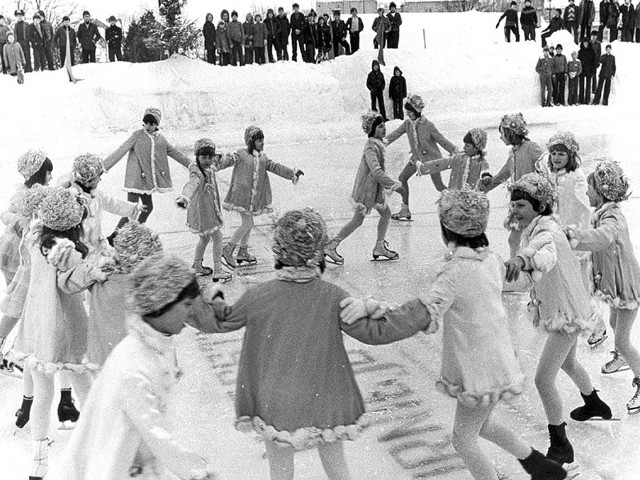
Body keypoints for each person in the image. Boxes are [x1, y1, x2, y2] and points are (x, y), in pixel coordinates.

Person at [341, 189, 572, 480]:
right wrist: (531, 259)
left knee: (463, 441)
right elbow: (523, 282)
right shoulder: (491, 260)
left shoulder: (453, 273)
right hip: (498, 364)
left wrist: (372, 309)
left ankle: (537, 470)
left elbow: (419, 314)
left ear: (446, 229)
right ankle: (542, 468)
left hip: (478, 372)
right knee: (483, 426)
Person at [193, 208, 430, 480]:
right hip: (325, 395)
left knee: (280, 473)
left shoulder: (259, 295)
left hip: (277, 400)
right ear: (317, 253)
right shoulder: (333, 297)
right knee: (338, 470)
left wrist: (202, 299)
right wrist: (420, 312)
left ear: (278, 251)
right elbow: (375, 332)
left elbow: (219, 321)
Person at [48, 254, 217, 480]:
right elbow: (154, 433)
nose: (191, 312)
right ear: (161, 304)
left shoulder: (151, 347)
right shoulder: (133, 364)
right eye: (186, 304)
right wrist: (198, 472)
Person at [504, 173, 612, 465]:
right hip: (565, 308)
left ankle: (561, 444)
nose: (515, 210)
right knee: (568, 362)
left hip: (567, 314)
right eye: (513, 204)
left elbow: (545, 254)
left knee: (542, 379)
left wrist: (522, 260)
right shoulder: (536, 226)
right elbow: (533, 269)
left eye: (521, 205)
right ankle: (594, 403)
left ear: (539, 207)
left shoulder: (546, 232)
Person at [10, 187, 109, 479]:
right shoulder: (65, 251)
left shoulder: (34, 241)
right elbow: (71, 284)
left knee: (43, 393)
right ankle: (100, 446)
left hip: (38, 325)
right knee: (84, 385)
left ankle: (38, 460)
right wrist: (96, 271)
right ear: (73, 224)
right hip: (66, 324)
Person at [566, 160, 640, 414]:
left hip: (628, 286)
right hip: (616, 285)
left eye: (590, 189)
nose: (586, 193)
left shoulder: (612, 218)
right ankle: (622, 357)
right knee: (613, 323)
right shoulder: (602, 213)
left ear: (602, 191)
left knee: (622, 338)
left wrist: (576, 238)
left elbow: (603, 238)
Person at [218, 126, 303, 269]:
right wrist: (217, 161)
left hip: (253, 199)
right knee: (248, 224)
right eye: (259, 141)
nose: (262, 143)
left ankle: (242, 252)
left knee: (249, 224)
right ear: (251, 142)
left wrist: (292, 173)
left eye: (263, 140)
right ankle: (228, 250)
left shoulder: (263, 158)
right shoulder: (241, 154)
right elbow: (228, 160)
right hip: (241, 196)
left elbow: (275, 167)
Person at [324, 113, 402, 265]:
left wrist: (405, 128)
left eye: (384, 125)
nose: (384, 128)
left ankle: (379, 246)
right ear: (372, 129)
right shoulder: (371, 147)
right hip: (367, 190)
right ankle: (331, 245)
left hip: (374, 190)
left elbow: (390, 138)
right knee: (358, 220)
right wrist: (392, 184)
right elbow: (376, 171)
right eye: (380, 126)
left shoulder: (378, 143)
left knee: (386, 214)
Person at [103, 108, 191, 237]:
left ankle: (135, 233)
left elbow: (175, 153)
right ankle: (113, 238)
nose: (148, 126)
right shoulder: (137, 135)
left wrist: (191, 164)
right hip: (134, 178)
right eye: (146, 123)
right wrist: (104, 166)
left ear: (157, 125)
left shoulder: (161, 140)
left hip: (146, 181)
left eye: (152, 124)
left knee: (147, 207)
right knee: (131, 210)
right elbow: (122, 149)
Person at [385, 94, 457, 221]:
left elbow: (440, 139)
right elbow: (396, 133)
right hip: (416, 159)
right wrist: (383, 142)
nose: (407, 113)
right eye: (406, 110)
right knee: (402, 178)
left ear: (416, 111)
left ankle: (457, 204)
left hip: (432, 160)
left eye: (410, 111)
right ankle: (405, 209)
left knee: (439, 186)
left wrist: (454, 150)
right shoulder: (407, 124)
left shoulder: (427, 124)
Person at [482, 113, 543, 257]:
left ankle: (518, 269)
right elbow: (502, 175)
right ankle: (520, 266)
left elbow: (546, 166)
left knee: (518, 239)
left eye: (502, 133)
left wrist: (538, 189)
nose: (500, 137)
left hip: (530, 203)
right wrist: (483, 189)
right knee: (517, 239)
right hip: (519, 203)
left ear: (510, 133)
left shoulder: (530, 147)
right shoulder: (514, 153)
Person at [175, 138, 232, 283]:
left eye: (210, 157)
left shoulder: (211, 166)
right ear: (197, 157)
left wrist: (236, 157)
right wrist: (185, 197)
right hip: (204, 212)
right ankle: (218, 270)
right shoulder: (197, 172)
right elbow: (191, 184)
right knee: (218, 237)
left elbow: (224, 162)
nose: (207, 160)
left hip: (205, 210)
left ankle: (197, 265)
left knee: (205, 238)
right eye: (203, 157)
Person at [578, 38, 596, 104]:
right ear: (582, 43)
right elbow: (578, 62)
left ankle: (587, 100)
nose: (585, 44)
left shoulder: (592, 51)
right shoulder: (580, 51)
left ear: (588, 43)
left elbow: (594, 62)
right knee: (581, 85)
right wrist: (578, 71)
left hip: (589, 70)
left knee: (588, 86)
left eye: (586, 42)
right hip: (582, 70)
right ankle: (581, 100)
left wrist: (593, 71)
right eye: (584, 42)